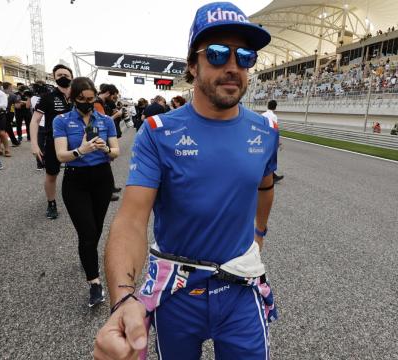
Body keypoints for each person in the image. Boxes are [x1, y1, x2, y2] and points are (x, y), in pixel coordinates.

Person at [94, 2, 277, 359]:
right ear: (192, 65)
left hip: (241, 290)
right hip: (177, 293)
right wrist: (123, 300)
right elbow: (131, 220)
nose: (232, 66)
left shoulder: (266, 129)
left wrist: (259, 234)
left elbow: (264, 186)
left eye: (245, 57)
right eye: (219, 54)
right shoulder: (158, 132)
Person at [53, 77, 120, 307]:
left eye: (91, 99)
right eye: (81, 99)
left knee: (96, 229)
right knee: (88, 231)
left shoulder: (105, 120)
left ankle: (87, 255)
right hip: (75, 179)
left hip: (102, 178)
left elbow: (116, 152)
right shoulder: (61, 120)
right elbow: (61, 155)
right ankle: (94, 283)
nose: (87, 103)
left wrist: (106, 149)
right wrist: (81, 150)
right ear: (73, 98)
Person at [30, 64, 73, 220]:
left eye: (66, 75)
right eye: (60, 74)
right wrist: (34, 144)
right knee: (51, 174)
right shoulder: (47, 97)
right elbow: (35, 121)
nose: (63, 77)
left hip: (76, 141)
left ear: (72, 77)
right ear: (54, 77)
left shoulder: (78, 95)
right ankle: (51, 203)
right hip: (53, 141)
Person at [262, 99, 284, 183]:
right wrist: (279, 141)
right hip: (270, 139)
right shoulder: (274, 116)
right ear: (275, 107)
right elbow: (275, 129)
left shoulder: (262, 114)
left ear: (267, 106)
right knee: (271, 158)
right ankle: (271, 176)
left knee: (264, 156)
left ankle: (272, 175)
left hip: (262, 137)